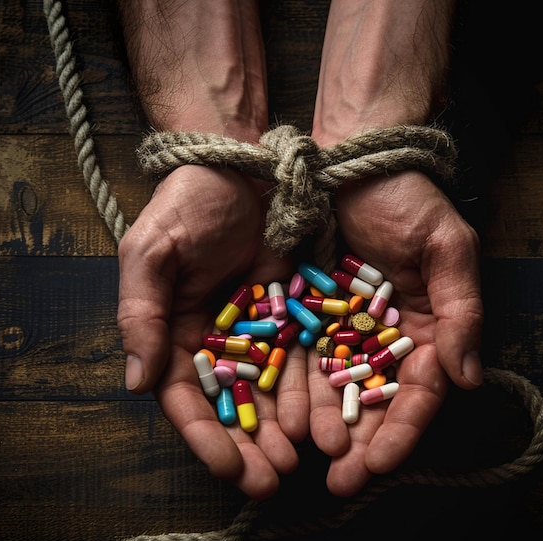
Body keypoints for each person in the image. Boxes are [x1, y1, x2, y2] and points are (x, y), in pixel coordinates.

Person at [115, 0, 484, 501]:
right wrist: (215, 138)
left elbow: (331, 325)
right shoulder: (330, 321)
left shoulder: (341, 325)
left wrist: (374, 129)